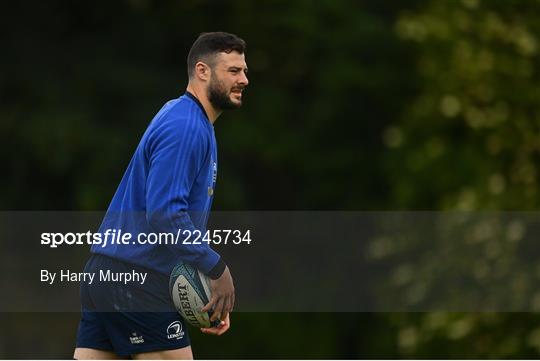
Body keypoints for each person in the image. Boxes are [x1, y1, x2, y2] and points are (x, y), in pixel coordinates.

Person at [74, 31, 249, 359]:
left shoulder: (184, 117)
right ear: (202, 71)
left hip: (110, 272)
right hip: (138, 279)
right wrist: (216, 269)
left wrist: (198, 295)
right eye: (233, 71)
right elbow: (165, 214)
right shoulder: (186, 126)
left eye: (244, 70)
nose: (244, 79)